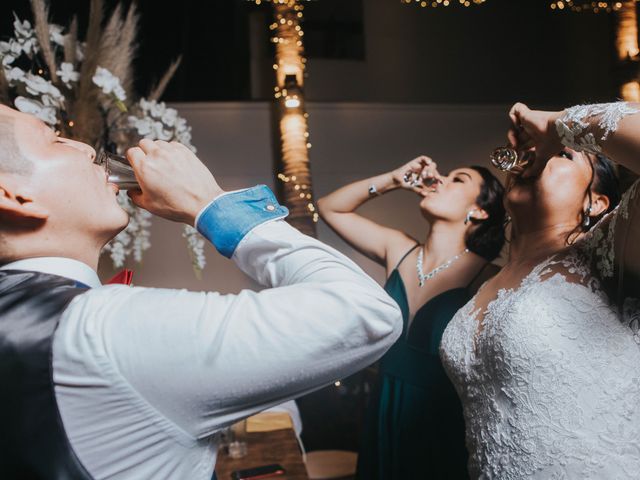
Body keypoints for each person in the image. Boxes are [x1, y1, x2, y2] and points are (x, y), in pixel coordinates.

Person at [0, 104, 402, 479]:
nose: (87, 148)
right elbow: (367, 312)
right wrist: (208, 202)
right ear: (13, 194)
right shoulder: (103, 332)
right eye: (54, 139)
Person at [440, 101, 640, 479]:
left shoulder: (608, 252)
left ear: (596, 202)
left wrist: (556, 125)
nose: (535, 158)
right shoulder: (489, 282)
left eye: (562, 154)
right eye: (531, 153)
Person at [317, 156, 506, 479]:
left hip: (441, 421)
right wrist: (393, 179)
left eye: (457, 179)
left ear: (479, 211)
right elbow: (329, 207)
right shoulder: (399, 248)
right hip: (382, 409)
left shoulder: (488, 278)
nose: (441, 179)